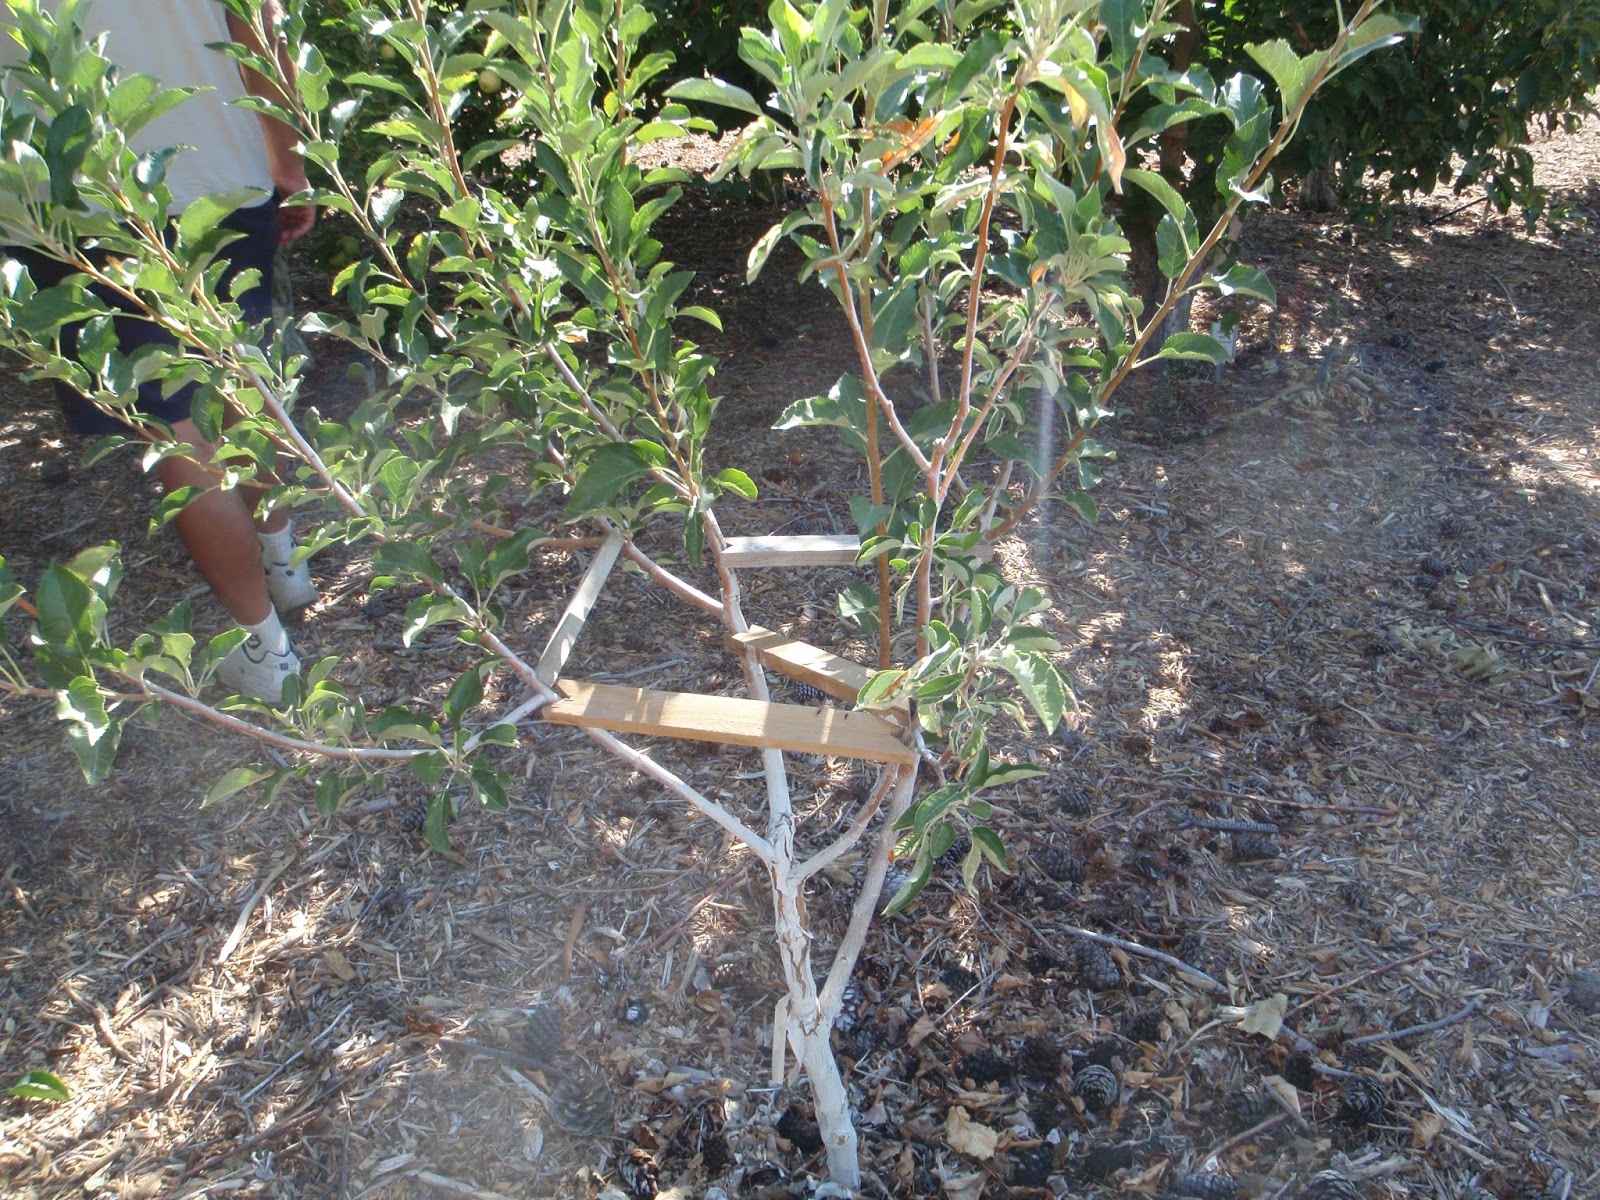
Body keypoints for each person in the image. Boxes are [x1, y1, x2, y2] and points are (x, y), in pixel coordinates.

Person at [1, 0, 318, 701]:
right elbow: (257, 22)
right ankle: (284, 562)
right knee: (241, 382)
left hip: (80, 203)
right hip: (223, 172)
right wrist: (288, 158)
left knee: (173, 428)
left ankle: (268, 654)